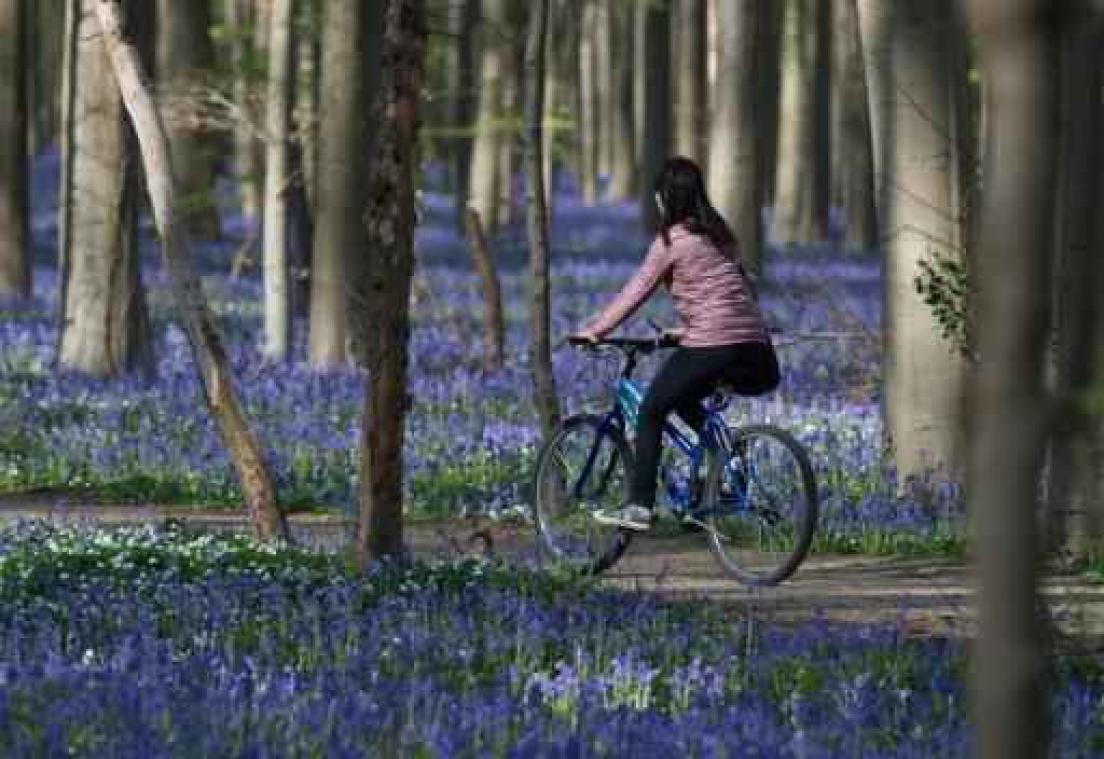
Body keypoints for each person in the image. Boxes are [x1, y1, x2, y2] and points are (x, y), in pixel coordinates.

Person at [571, 156, 780, 531]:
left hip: (714, 343)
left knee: (651, 409)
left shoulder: (672, 241)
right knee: (683, 397)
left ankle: (639, 507)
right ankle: (726, 464)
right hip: (758, 349)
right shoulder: (721, 235)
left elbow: (637, 289)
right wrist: (684, 333)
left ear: (665, 198)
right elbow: (733, 293)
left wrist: (596, 330)